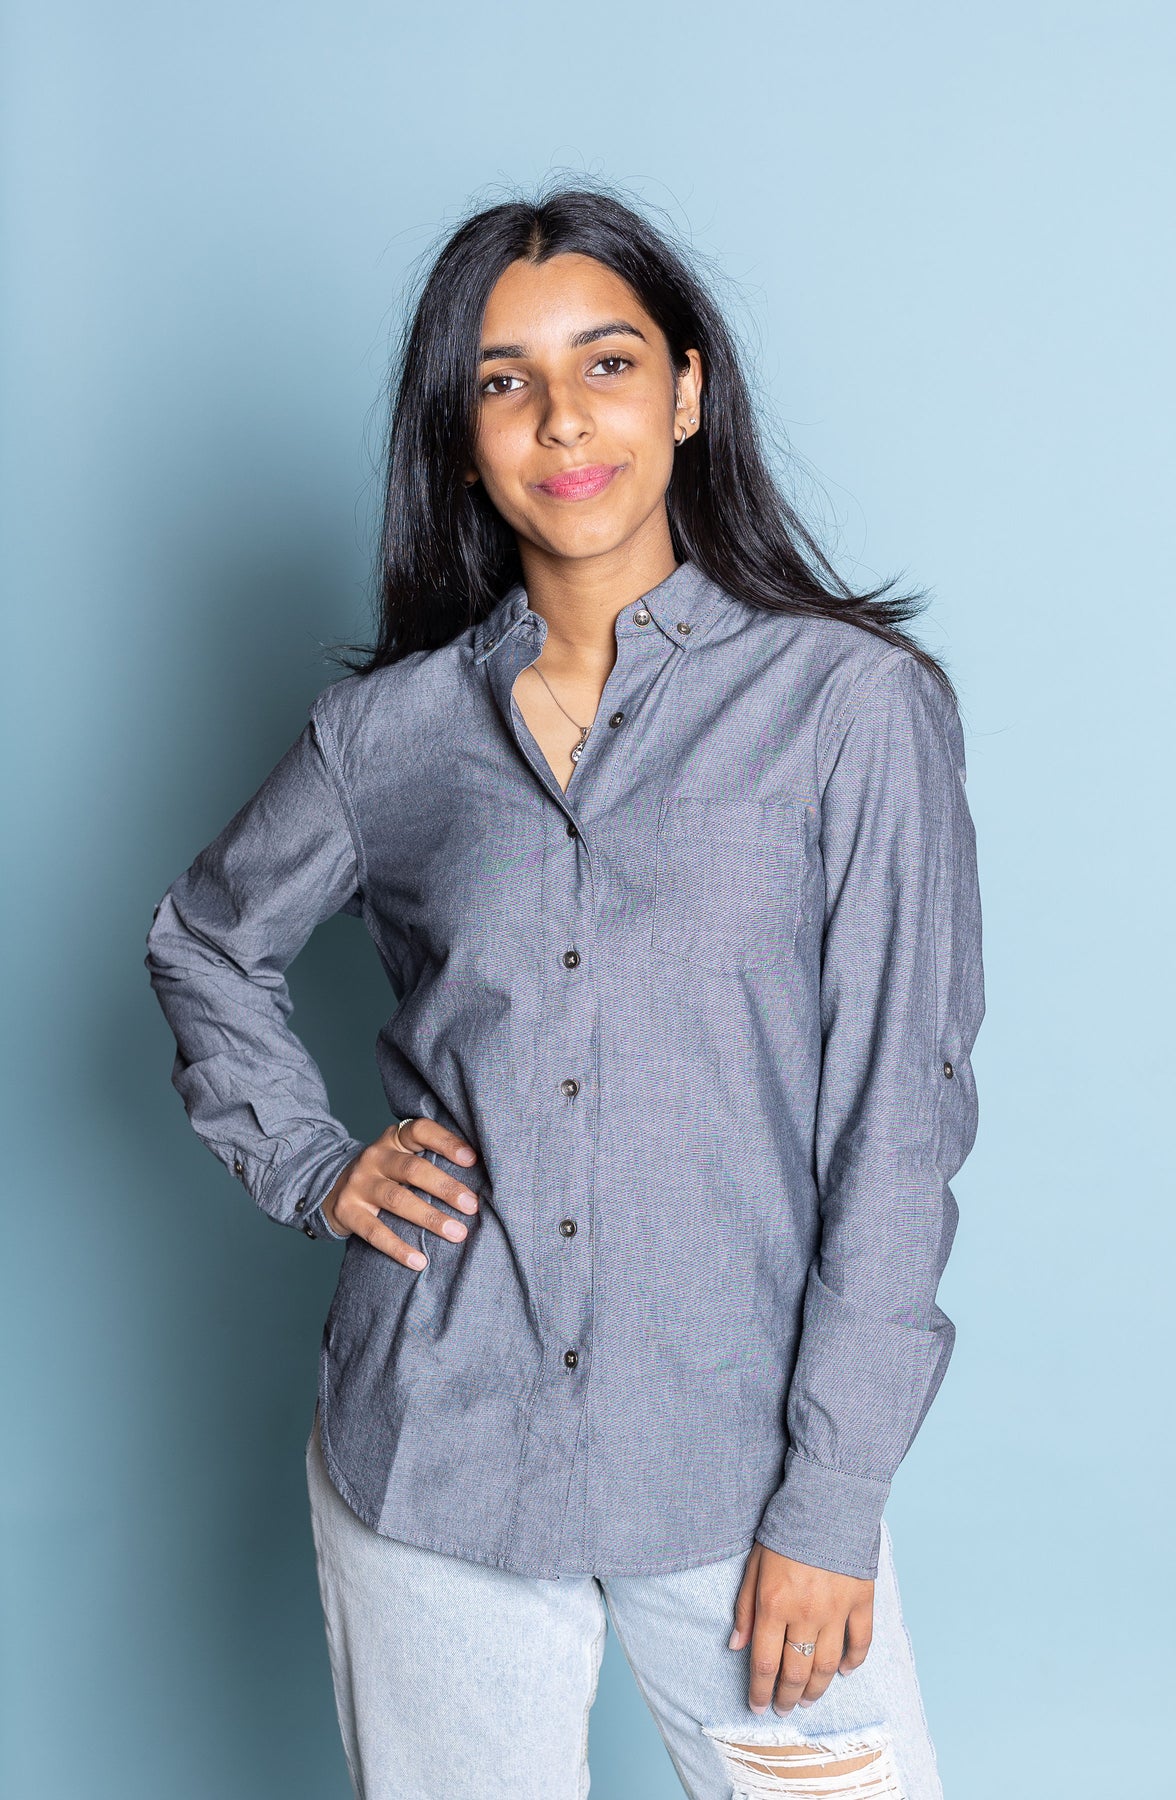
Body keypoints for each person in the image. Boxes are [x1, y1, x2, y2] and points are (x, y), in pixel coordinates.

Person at [145, 180, 984, 1800]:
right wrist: (319, 1168)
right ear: (462, 440)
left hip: (744, 1472)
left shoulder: (850, 714)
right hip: (437, 1446)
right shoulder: (387, 740)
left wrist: (829, 1504)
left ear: (684, 392)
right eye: (502, 382)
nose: (560, 418)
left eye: (605, 364)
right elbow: (206, 939)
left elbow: (900, 1128)